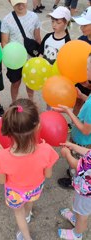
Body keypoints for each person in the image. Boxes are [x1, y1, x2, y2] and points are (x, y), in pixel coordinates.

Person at [0, 98, 59, 240]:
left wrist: (0, 154)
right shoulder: (47, 150)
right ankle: (28, 214)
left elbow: (1, 181)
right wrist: (45, 148)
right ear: (38, 126)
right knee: (29, 201)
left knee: (18, 213)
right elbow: (48, 175)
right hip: (35, 190)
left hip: (15, 193)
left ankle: (26, 237)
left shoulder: (0, 156)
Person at [53, 53, 91, 189]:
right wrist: (82, 95)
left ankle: (73, 180)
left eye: (87, 68)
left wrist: (69, 112)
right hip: (84, 139)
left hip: (82, 140)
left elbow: (86, 130)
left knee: (78, 162)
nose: (85, 71)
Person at [2, 0, 41, 102]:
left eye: (22, 2)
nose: (20, 6)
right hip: (15, 59)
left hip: (31, 57)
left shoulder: (34, 17)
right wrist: (10, 57)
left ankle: (31, 102)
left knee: (30, 82)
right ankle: (14, 103)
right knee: (15, 83)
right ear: (10, 2)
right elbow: (4, 43)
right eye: (16, 3)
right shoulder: (6, 20)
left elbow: (37, 38)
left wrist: (40, 54)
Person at [58, 141, 91, 240]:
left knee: (82, 215)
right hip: (83, 190)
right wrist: (74, 146)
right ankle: (76, 220)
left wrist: (67, 154)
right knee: (78, 208)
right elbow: (89, 152)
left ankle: (77, 234)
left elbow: (76, 165)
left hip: (87, 195)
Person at [72, 6, 91, 116]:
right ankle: (74, 123)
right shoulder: (81, 40)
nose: (81, 28)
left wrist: (89, 85)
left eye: (85, 25)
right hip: (81, 81)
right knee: (78, 101)